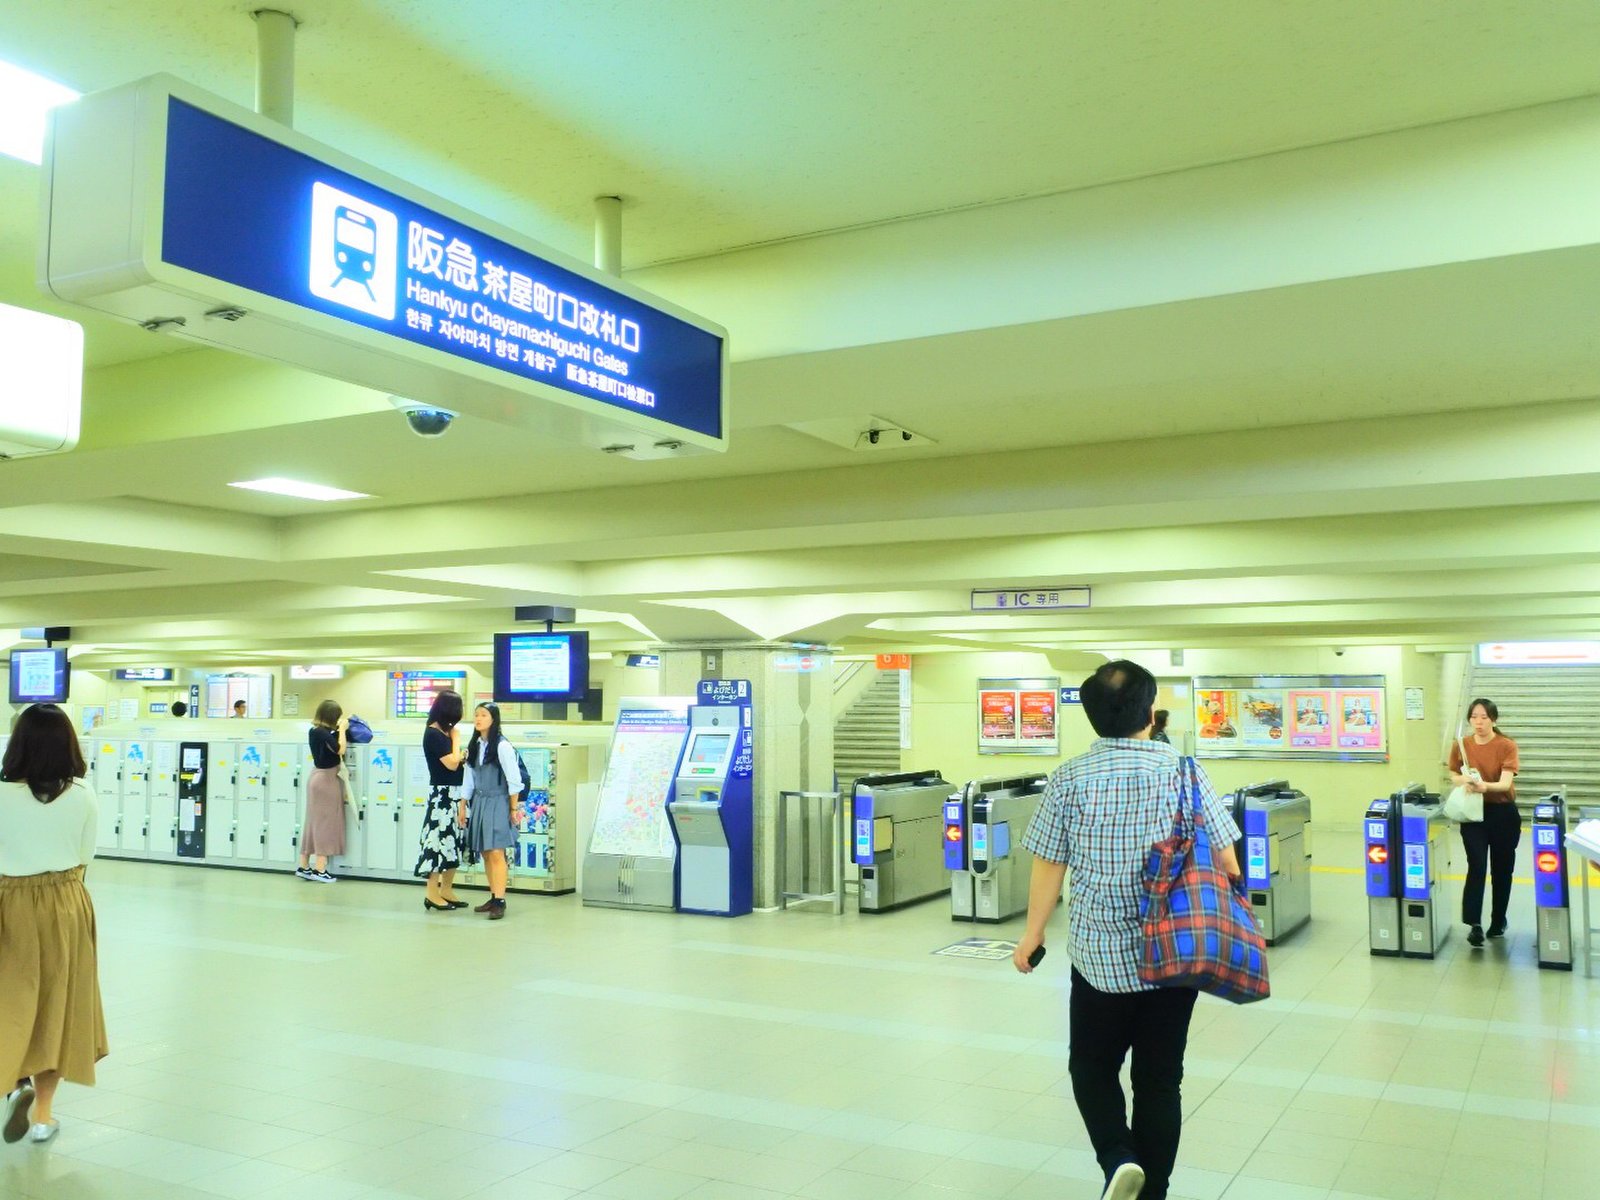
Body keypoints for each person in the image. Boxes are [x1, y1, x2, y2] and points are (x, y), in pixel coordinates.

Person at [1014, 660, 1241, 1200]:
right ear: (1151, 708)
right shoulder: (1186, 773)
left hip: (1099, 960)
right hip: (1174, 956)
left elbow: (1049, 862)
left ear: (1091, 715)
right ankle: (1152, 1191)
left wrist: (1033, 935)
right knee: (1160, 1080)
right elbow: (1228, 862)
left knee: (1091, 1066)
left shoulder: (1069, 777)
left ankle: (1118, 1158)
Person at [1, 704, 108, 1145]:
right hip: (65, 902)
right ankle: (43, 1116)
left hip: (7, 900)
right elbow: (86, 858)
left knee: (10, 999)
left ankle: (14, 1082)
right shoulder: (83, 795)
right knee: (58, 1006)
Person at [1448, 697, 1520, 947]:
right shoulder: (1461, 745)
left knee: (1502, 870)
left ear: (1493, 719)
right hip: (1473, 815)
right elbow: (1453, 774)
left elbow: (1505, 784)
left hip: (1502, 814)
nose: (1478, 722)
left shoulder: (1506, 745)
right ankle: (1474, 924)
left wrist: (1482, 786)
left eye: (1484, 717)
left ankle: (1498, 920)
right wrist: (1464, 781)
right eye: (1474, 717)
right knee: (1476, 866)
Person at [461, 702, 523, 920]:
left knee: (496, 851)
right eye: (476, 715)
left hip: (498, 800)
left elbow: (514, 780)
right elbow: (468, 779)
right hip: (479, 800)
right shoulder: (475, 745)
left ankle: (500, 900)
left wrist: (513, 808)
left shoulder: (502, 746)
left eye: (483, 715)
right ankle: (493, 895)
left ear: (493, 719)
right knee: (486, 851)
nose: (478, 719)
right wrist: (463, 805)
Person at [415, 689, 468, 912]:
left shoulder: (443, 734)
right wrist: (456, 740)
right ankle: (431, 893)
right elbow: (452, 763)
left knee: (453, 843)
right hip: (442, 797)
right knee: (436, 843)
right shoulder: (433, 734)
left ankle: (446, 889)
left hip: (455, 794)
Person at [296, 700, 347, 883]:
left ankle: (304, 865)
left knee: (312, 823)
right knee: (326, 824)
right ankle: (320, 868)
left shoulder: (314, 731)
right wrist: (342, 730)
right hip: (326, 780)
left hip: (315, 777)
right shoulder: (323, 733)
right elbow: (340, 749)